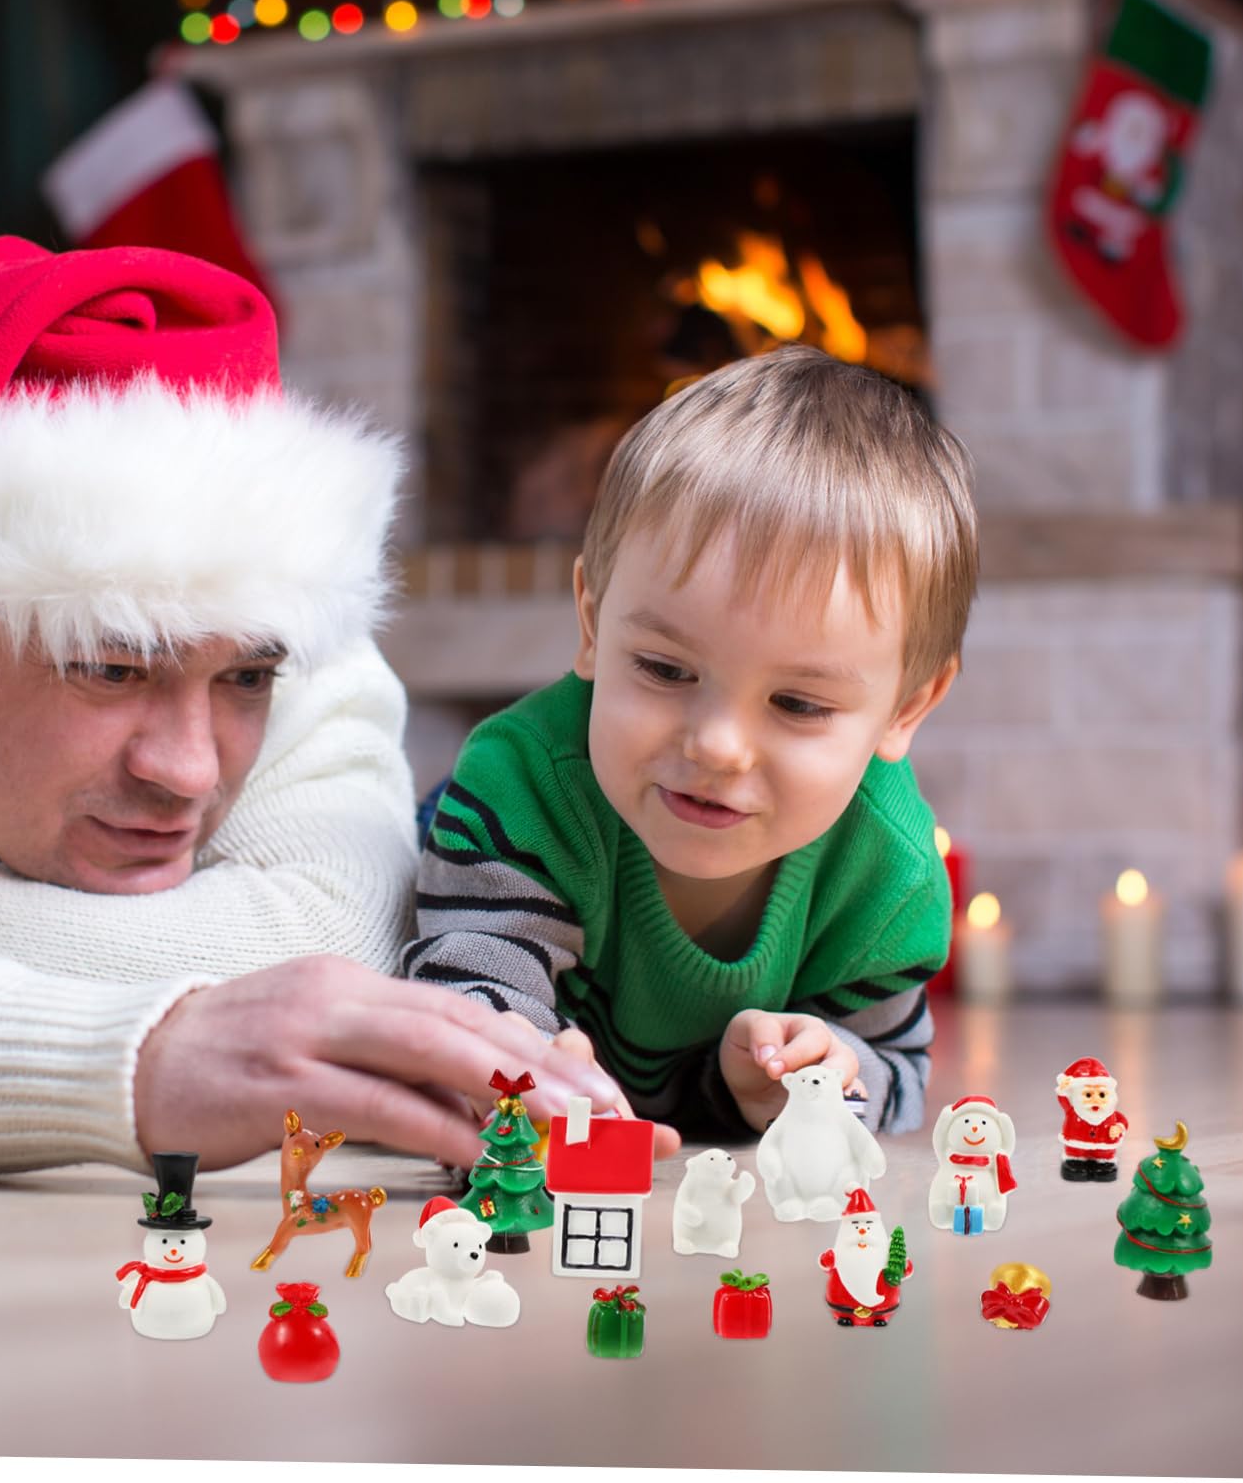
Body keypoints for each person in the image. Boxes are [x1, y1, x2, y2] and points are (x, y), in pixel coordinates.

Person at [0, 236, 632, 1178]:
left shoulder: (287, 622)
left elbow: (329, 942)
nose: (189, 771)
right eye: (113, 670)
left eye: (246, 680)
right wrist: (140, 1062)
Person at [405, 343, 978, 1135]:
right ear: (593, 626)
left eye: (797, 703)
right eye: (666, 669)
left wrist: (819, 1081)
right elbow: (467, 1015)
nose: (716, 746)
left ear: (906, 709)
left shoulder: (887, 872)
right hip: (473, 867)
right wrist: (525, 1070)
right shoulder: (523, 789)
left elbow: (898, 1077)